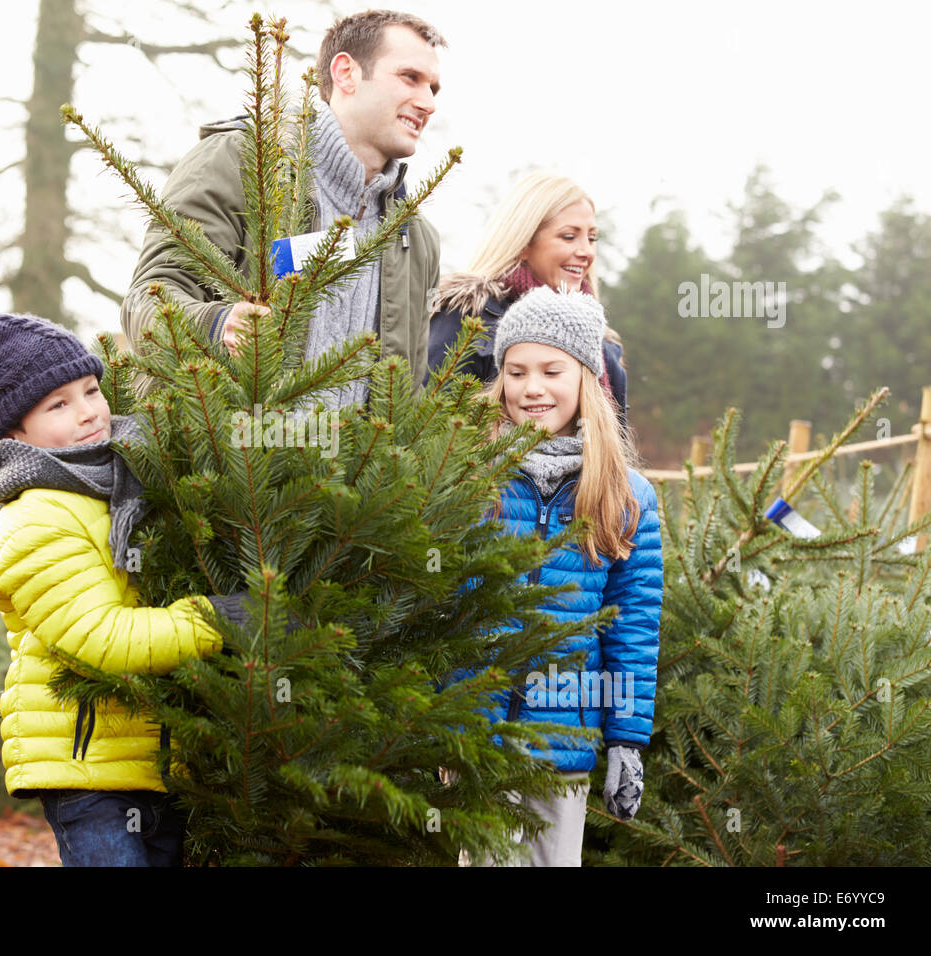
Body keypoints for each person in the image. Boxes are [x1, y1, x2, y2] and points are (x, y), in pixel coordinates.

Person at [0, 312, 245, 867]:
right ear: (13, 432)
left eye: (90, 390)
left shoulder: (127, 480)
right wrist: (216, 619)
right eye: (58, 404)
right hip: (86, 768)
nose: (88, 412)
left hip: (158, 760)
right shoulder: (35, 517)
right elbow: (101, 638)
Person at [122, 9, 446, 403]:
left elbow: (407, 399)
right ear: (346, 73)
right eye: (410, 78)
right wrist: (217, 325)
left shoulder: (416, 238)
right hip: (229, 453)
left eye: (434, 88)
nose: (427, 103)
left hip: (348, 465)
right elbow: (147, 301)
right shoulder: (239, 161)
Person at [466, 286, 661, 866]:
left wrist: (627, 741)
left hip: (564, 743)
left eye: (551, 370)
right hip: (481, 739)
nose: (532, 387)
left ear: (586, 379)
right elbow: (449, 608)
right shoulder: (474, 478)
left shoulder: (627, 496)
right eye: (516, 370)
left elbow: (633, 628)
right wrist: (448, 728)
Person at [427, 171, 630, 432]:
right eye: (569, 237)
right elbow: (429, 431)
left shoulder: (602, 346)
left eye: (591, 238)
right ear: (523, 243)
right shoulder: (467, 319)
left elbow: (617, 447)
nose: (586, 252)